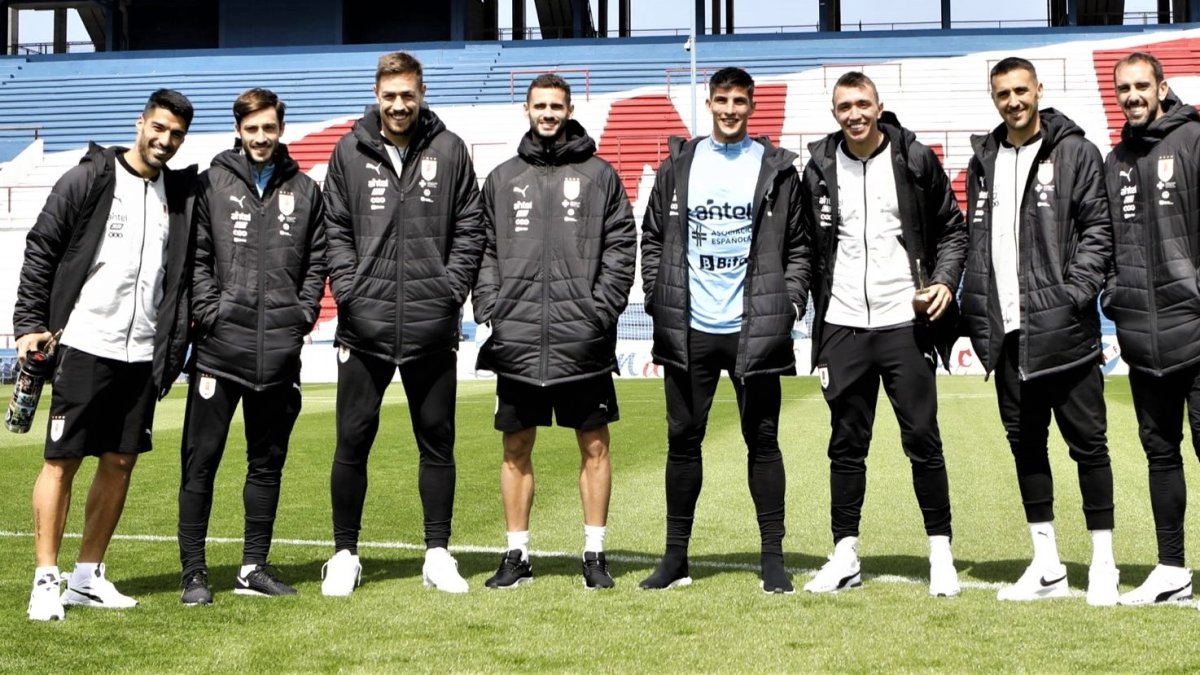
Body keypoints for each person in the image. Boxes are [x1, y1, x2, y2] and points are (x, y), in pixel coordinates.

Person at [13, 89, 197, 621]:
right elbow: (42, 244)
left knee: (120, 462)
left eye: (176, 135)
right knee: (62, 460)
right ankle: (46, 577)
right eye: (159, 128)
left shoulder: (177, 195)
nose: (165, 141)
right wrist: (29, 323)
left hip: (142, 351)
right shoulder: (90, 178)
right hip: (84, 341)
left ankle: (86, 577)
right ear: (141, 123)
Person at [639, 67, 809, 594]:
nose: (730, 109)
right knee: (683, 443)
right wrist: (656, 294)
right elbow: (652, 237)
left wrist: (789, 303)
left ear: (752, 105)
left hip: (753, 328)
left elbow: (800, 248)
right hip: (690, 328)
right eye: (721, 100)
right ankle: (675, 559)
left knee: (763, 442)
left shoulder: (777, 169)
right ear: (709, 103)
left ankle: (773, 559)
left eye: (739, 101)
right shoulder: (680, 165)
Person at [321, 51, 484, 595]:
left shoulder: (450, 148)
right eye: (389, 96)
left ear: (421, 93)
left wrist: (449, 290)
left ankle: (437, 553)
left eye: (407, 95)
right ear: (376, 94)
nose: (398, 105)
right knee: (352, 441)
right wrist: (349, 290)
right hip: (363, 326)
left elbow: (470, 227)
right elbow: (335, 230)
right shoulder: (348, 151)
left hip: (429, 323)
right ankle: (344, 553)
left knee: (437, 443)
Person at [800, 71, 966, 597]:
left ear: (879, 106)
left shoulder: (914, 159)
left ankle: (941, 552)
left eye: (862, 103)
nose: (854, 114)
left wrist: (942, 280)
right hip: (843, 323)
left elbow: (953, 230)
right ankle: (845, 552)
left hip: (903, 321)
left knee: (922, 440)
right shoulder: (818, 168)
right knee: (846, 445)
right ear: (834, 113)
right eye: (845, 106)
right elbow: (806, 245)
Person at [960, 57, 1117, 605]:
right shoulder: (982, 160)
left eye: (1020, 90)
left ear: (1038, 90)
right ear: (994, 97)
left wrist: (1074, 295)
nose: (1012, 101)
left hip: (1065, 329)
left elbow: (1099, 230)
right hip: (1006, 332)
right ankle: (1047, 564)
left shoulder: (1076, 152)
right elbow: (977, 243)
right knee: (1026, 447)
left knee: (1089, 447)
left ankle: (1103, 563)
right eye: (1002, 93)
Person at [472, 74, 636, 590]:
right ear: (527, 109)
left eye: (556, 105)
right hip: (517, 338)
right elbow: (483, 250)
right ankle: (517, 555)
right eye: (540, 105)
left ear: (570, 108)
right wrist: (491, 307)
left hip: (580, 339)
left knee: (594, 446)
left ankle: (594, 554)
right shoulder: (502, 178)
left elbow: (621, 247)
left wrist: (599, 311)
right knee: (515, 447)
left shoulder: (599, 175)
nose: (548, 113)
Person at [177, 88, 326, 605]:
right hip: (220, 349)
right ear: (238, 129)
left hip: (278, 354)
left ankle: (252, 567)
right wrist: (209, 313)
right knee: (201, 463)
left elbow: (317, 263)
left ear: (280, 129)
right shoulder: (211, 184)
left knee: (266, 464)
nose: (261, 137)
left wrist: (300, 318)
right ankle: (194, 573)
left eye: (269, 128)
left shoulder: (306, 190)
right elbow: (196, 258)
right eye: (252, 128)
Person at [1103, 52, 1200, 606]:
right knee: (1160, 454)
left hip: (1195, 329)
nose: (1133, 95)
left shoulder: (1192, 142)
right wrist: (1116, 297)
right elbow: (1109, 242)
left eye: (1142, 86)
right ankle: (1171, 569)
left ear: (1163, 88)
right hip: (1142, 336)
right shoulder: (1116, 160)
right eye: (1124, 88)